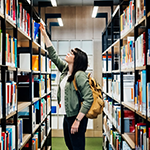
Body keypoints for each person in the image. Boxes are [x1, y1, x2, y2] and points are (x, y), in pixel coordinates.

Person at [40, 23, 93, 150]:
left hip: (76, 117)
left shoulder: (79, 75)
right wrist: (44, 34)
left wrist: (78, 121)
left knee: (77, 147)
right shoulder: (65, 70)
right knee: (70, 146)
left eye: (72, 53)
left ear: (77, 59)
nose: (68, 53)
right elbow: (53, 55)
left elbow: (89, 99)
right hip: (67, 116)